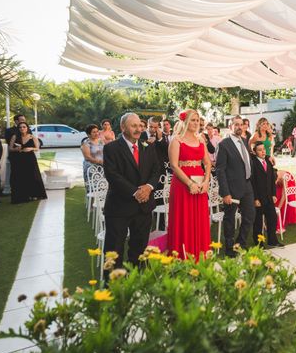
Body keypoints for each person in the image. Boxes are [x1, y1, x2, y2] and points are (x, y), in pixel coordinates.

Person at [102, 113, 161, 269]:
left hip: (144, 207)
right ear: (123, 127)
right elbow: (113, 176)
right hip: (120, 207)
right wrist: (136, 192)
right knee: (114, 250)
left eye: (140, 126)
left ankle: (137, 282)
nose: (138, 129)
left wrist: (148, 187)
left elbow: (156, 170)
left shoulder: (147, 146)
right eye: (133, 126)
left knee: (140, 250)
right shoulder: (111, 148)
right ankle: (113, 287)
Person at [156, 109, 212, 259]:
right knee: (184, 220)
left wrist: (206, 181)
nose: (196, 123)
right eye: (193, 120)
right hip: (182, 185)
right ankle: (182, 256)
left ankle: (200, 256)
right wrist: (189, 183)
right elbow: (174, 165)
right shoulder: (176, 140)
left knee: (200, 220)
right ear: (185, 122)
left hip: (200, 184)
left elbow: (207, 162)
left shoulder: (201, 139)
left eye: (197, 120)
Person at [216, 115, 256, 257]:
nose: (239, 127)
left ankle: (240, 244)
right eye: (236, 124)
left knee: (250, 215)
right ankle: (229, 248)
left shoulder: (244, 141)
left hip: (247, 185)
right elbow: (220, 170)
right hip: (231, 189)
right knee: (230, 218)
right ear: (230, 126)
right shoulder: (223, 144)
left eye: (241, 124)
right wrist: (225, 193)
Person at [250, 141, 283, 248]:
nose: (263, 151)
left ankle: (272, 240)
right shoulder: (253, 163)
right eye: (259, 150)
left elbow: (271, 180)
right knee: (258, 222)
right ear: (255, 152)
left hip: (269, 197)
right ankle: (259, 243)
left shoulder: (268, 162)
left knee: (272, 218)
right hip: (259, 198)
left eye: (263, 149)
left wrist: (274, 194)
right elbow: (252, 183)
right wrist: (255, 199)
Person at [8, 121, 47, 204]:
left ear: (27, 128)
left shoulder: (32, 137)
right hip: (19, 159)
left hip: (30, 159)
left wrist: (30, 149)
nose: (22, 128)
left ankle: (33, 194)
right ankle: (22, 196)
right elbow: (10, 148)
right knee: (20, 177)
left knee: (32, 176)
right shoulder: (15, 137)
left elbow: (37, 148)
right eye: (20, 127)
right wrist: (16, 149)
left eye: (24, 127)